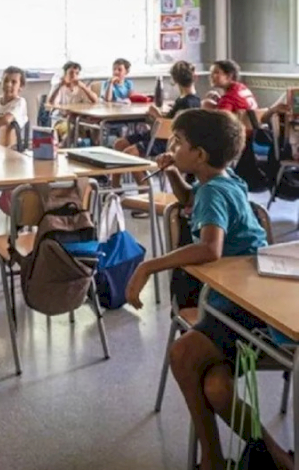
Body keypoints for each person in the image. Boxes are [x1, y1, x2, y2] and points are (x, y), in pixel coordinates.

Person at [125, 109, 293, 470]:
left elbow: (209, 248)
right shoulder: (220, 180)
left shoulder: (213, 191)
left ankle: (213, 461)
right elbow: (191, 200)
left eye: (178, 142)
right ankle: (272, 459)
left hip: (244, 303)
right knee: (216, 387)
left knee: (183, 355)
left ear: (199, 155)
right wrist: (172, 171)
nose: (170, 146)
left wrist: (148, 265)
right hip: (241, 294)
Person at [111, 61, 201, 193]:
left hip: (166, 140)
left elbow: (172, 127)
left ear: (174, 80)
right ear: (195, 77)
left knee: (129, 153)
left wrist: (156, 114)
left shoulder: (188, 102)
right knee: (120, 143)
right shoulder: (186, 99)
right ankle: (116, 187)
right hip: (158, 134)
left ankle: (145, 192)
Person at [47, 61, 99, 140]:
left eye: (76, 73)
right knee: (72, 129)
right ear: (65, 74)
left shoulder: (80, 87)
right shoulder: (58, 86)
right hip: (61, 119)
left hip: (77, 119)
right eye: (71, 73)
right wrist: (60, 86)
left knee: (95, 127)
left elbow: (95, 100)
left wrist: (84, 87)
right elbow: (51, 102)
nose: (74, 76)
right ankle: (63, 146)